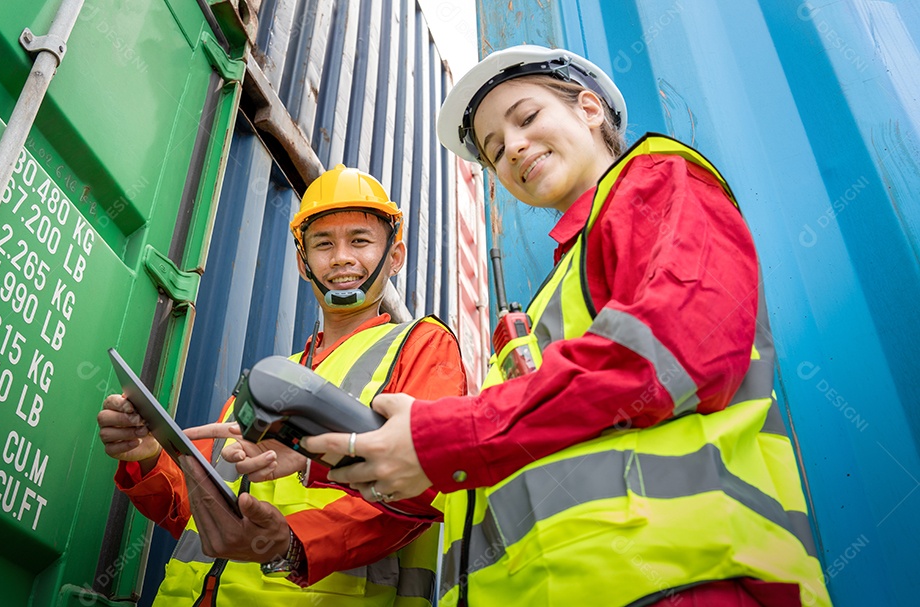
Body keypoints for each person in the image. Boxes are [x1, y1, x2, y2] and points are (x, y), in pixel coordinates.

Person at [301, 46, 833, 607]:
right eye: (495, 150)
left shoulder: (657, 183)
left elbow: (677, 355)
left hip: (687, 581)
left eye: (526, 118)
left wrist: (444, 437)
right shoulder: (560, 289)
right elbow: (507, 454)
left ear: (589, 108)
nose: (514, 148)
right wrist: (330, 456)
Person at [97, 163, 467, 607]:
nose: (342, 258)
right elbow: (205, 518)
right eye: (323, 244)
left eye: (361, 241)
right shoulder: (263, 379)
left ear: (395, 255)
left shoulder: (421, 345)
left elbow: (421, 488)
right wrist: (149, 458)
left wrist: (288, 543)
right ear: (302, 260)